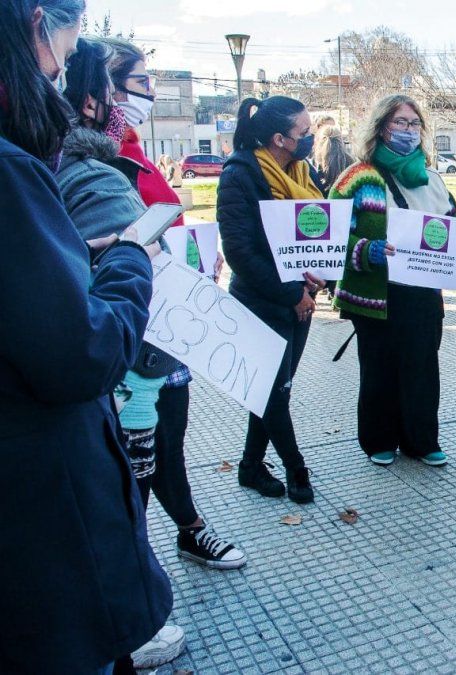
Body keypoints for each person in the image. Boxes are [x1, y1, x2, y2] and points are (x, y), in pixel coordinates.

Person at [0, 1, 171, 671]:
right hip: (39, 528)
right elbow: (81, 353)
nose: (61, 80)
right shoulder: (13, 169)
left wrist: (69, 259)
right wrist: (129, 258)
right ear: (37, 26)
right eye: (66, 60)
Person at [103, 36, 246, 573]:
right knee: (132, 457)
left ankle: (187, 530)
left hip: (167, 326)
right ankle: (133, 570)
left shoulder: (135, 153)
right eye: (141, 83)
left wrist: (195, 259)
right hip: (129, 332)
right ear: (103, 90)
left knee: (169, 437)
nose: (150, 94)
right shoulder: (95, 161)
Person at [331, 94, 456, 466]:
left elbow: (454, 228)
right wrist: (368, 251)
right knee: (379, 370)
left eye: (414, 124)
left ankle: (421, 441)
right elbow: (331, 237)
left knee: (422, 368)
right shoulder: (358, 178)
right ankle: (379, 440)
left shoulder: (431, 178)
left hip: (422, 294)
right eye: (400, 123)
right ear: (381, 127)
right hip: (375, 294)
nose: (408, 130)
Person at [218, 96, 321, 503]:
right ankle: (296, 467)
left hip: (301, 299)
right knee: (273, 390)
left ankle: (250, 465)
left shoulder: (300, 170)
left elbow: (319, 230)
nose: (310, 138)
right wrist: (289, 292)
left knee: (275, 388)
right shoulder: (240, 175)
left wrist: (317, 275)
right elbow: (239, 252)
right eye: (304, 132)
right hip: (262, 301)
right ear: (279, 138)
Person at [314, 123, 352, 196]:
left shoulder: (314, 162)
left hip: (321, 204)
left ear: (319, 141)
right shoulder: (351, 161)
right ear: (341, 140)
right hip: (346, 203)